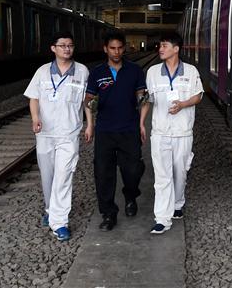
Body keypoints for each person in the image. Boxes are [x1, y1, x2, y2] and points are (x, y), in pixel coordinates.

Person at [24, 31, 92, 242]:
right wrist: (35, 118)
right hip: (45, 133)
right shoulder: (42, 72)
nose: (67, 49)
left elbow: (86, 101)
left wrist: (90, 124)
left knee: (64, 176)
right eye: (62, 45)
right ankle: (49, 210)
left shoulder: (82, 71)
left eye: (70, 45)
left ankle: (59, 222)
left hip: (69, 133)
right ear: (53, 49)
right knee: (48, 176)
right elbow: (33, 98)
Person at [141, 31, 203, 235]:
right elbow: (148, 100)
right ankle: (162, 218)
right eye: (160, 45)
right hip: (159, 132)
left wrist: (183, 104)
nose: (160, 48)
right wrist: (142, 123)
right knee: (162, 176)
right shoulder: (152, 72)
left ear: (176, 49)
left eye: (165, 45)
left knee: (180, 172)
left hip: (183, 132)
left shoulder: (191, 71)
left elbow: (198, 96)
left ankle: (178, 204)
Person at [85, 31, 148, 231]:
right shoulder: (96, 73)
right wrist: (90, 123)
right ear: (105, 49)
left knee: (133, 169)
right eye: (112, 48)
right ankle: (108, 213)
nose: (116, 52)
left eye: (120, 48)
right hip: (105, 130)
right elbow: (88, 100)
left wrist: (142, 122)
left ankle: (130, 195)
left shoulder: (134, 70)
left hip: (129, 128)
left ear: (124, 48)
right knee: (103, 173)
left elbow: (142, 96)